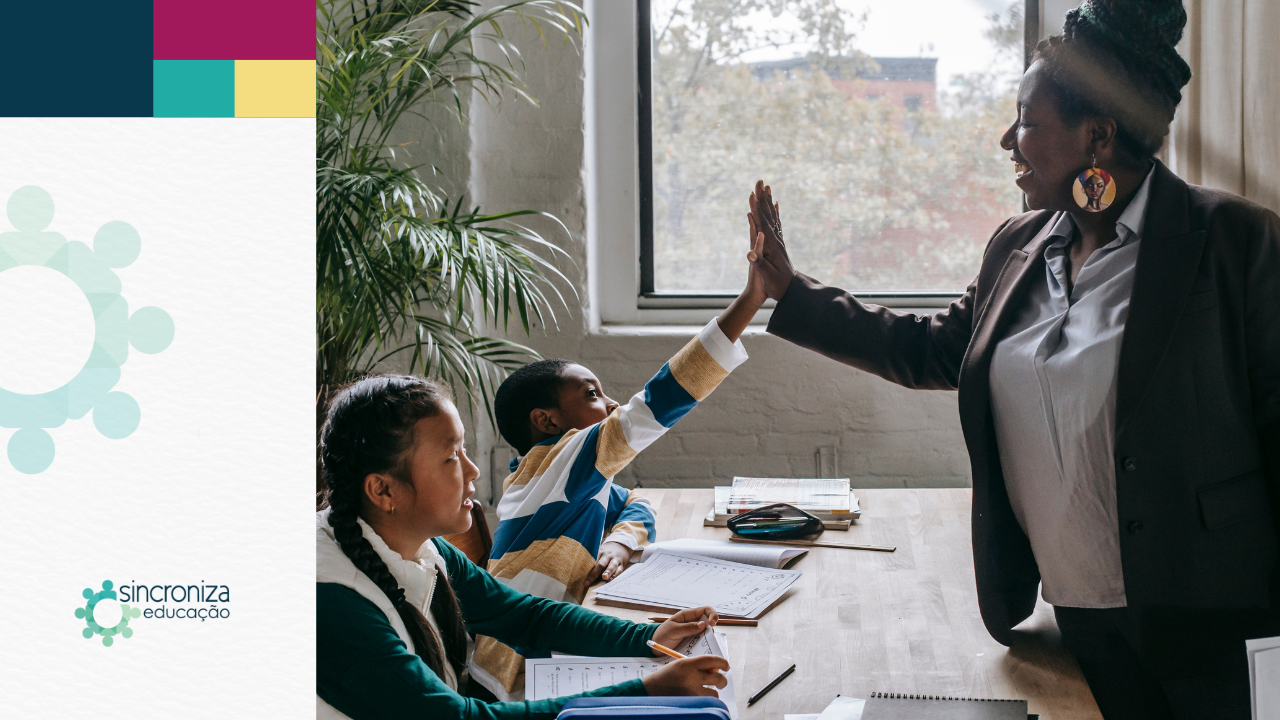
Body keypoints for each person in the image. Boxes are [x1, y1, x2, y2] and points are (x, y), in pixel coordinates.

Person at [744, 1, 1280, 717]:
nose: (1007, 138)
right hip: (1072, 618)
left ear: (1097, 136)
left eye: (1026, 119)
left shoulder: (1236, 245)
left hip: (1210, 625)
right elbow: (936, 349)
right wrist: (790, 292)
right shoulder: (1017, 247)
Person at [315, 375, 730, 719]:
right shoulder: (333, 602)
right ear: (383, 490)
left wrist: (649, 635)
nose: (473, 470)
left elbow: (525, 617)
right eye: (451, 457)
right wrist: (641, 691)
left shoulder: (418, 545)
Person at [472, 269, 767, 699]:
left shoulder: (558, 472)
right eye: (591, 394)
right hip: (517, 677)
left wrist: (621, 542)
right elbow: (657, 403)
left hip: (540, 650)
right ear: (547, 421)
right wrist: (751, 300)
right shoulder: (558, 460)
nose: (609, 403)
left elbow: (634, 500)